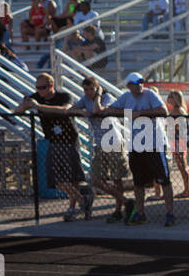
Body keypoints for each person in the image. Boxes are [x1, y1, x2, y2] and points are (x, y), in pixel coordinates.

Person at [92, 72, 176, 226]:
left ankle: (170, 213)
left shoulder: (149, 94)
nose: (140, 85)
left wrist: (141, 114)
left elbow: (163, 111)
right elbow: (108, 110)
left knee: (164, 180)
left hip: (154, 145)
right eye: (136, 83)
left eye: (141, 82)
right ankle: (140, 213)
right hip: (136, 146)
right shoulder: (126, 97)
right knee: (138, 182)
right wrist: (129, 113)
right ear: (129, 85)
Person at [19, 73, 86, 220]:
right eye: (37, 88)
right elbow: (17, 111)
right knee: (56, 178)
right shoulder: (36, 97)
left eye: (42, 88)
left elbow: (65, 110)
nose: (39, 91)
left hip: (68, 138)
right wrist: (25, 105)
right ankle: (82, 199)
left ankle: (72, 207)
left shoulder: (63, 96)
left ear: (51, 85)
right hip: (53, 140)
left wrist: (39, 106)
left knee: (73, 177)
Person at [76, 76, 131, 222]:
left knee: (116, 178)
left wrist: (98, 94)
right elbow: (71, 109)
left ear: (97, 87)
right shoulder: (85, 99)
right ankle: (126, 201)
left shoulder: (107, 98)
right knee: (95, 179)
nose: (88, 92)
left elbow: (97, 109)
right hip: (100, 143)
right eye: (85, 89)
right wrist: (82, 112)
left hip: (113, 142)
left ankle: (118, 209)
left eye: (91, 89)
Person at [164, 90, 189, 200]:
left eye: (170, 96)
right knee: (181, 165)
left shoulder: (177, 111)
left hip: (177, 140)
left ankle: (187, 190)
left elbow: (177, 126)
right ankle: (186, 190)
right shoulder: (179, 110)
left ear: (174, 99)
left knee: (182, 166)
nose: (168, 98)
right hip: (178, 140)